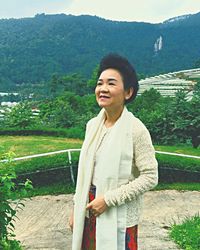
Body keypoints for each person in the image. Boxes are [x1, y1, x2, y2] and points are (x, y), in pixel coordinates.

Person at [69, 53, 158, 250]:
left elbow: (150, 176)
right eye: (100, 83)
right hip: (89, 210)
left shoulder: (136, 129)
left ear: (128, 92)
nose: (103, 89)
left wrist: (108, 200)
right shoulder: (93, 126)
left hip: (119, 214)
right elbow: (86, 173)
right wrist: (76, 209)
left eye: (111, 83)